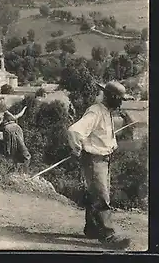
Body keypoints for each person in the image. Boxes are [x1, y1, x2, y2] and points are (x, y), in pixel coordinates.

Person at [67, 81, 134, 249]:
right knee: (101, 197)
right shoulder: (95, 112)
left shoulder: (107, 112)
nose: (121, 103)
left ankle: (92, 229)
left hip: (104, 159)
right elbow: (75, 130)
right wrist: (77, 149)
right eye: (119, 99)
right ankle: (109, 235)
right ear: (111, 97)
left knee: (95, 194)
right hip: (93, 159)